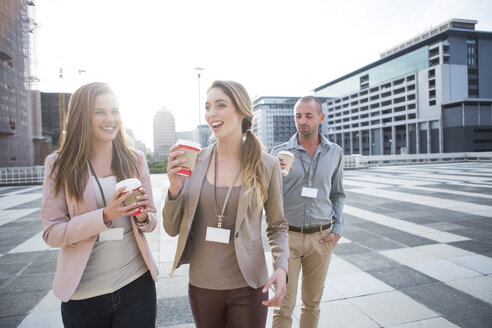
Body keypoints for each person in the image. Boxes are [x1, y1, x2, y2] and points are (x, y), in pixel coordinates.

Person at [163, 80, 289, 328]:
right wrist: (174, 188)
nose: (212, 113)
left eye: (220, 105)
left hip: (249, 285)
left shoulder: (267, 165)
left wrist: (282, 267)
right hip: (202, 285)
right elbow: (170, 228)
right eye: (208, 106)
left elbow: (278, 227)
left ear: (241, 112)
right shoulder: (195, 161)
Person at [40, 82, 158, 328]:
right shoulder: (58, 165)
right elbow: (52, 233)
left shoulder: (135, 159)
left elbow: (151, 222)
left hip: (136, 285)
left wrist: (144, 217)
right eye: (100, 112)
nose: (110, 119)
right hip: (84, 295)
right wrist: (104, 216)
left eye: (115, 111)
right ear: (83, 116)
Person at [271, 96, 345, 328]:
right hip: (287, 238)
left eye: (308, 116)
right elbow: (268, 196)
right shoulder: (278, 153)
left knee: (312, 304)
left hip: (321, 238)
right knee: (284, 305)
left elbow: (338, 194)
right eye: (298, 116)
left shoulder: (335, 152)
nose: (302, 121)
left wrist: (337, 230)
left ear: (321, 118)